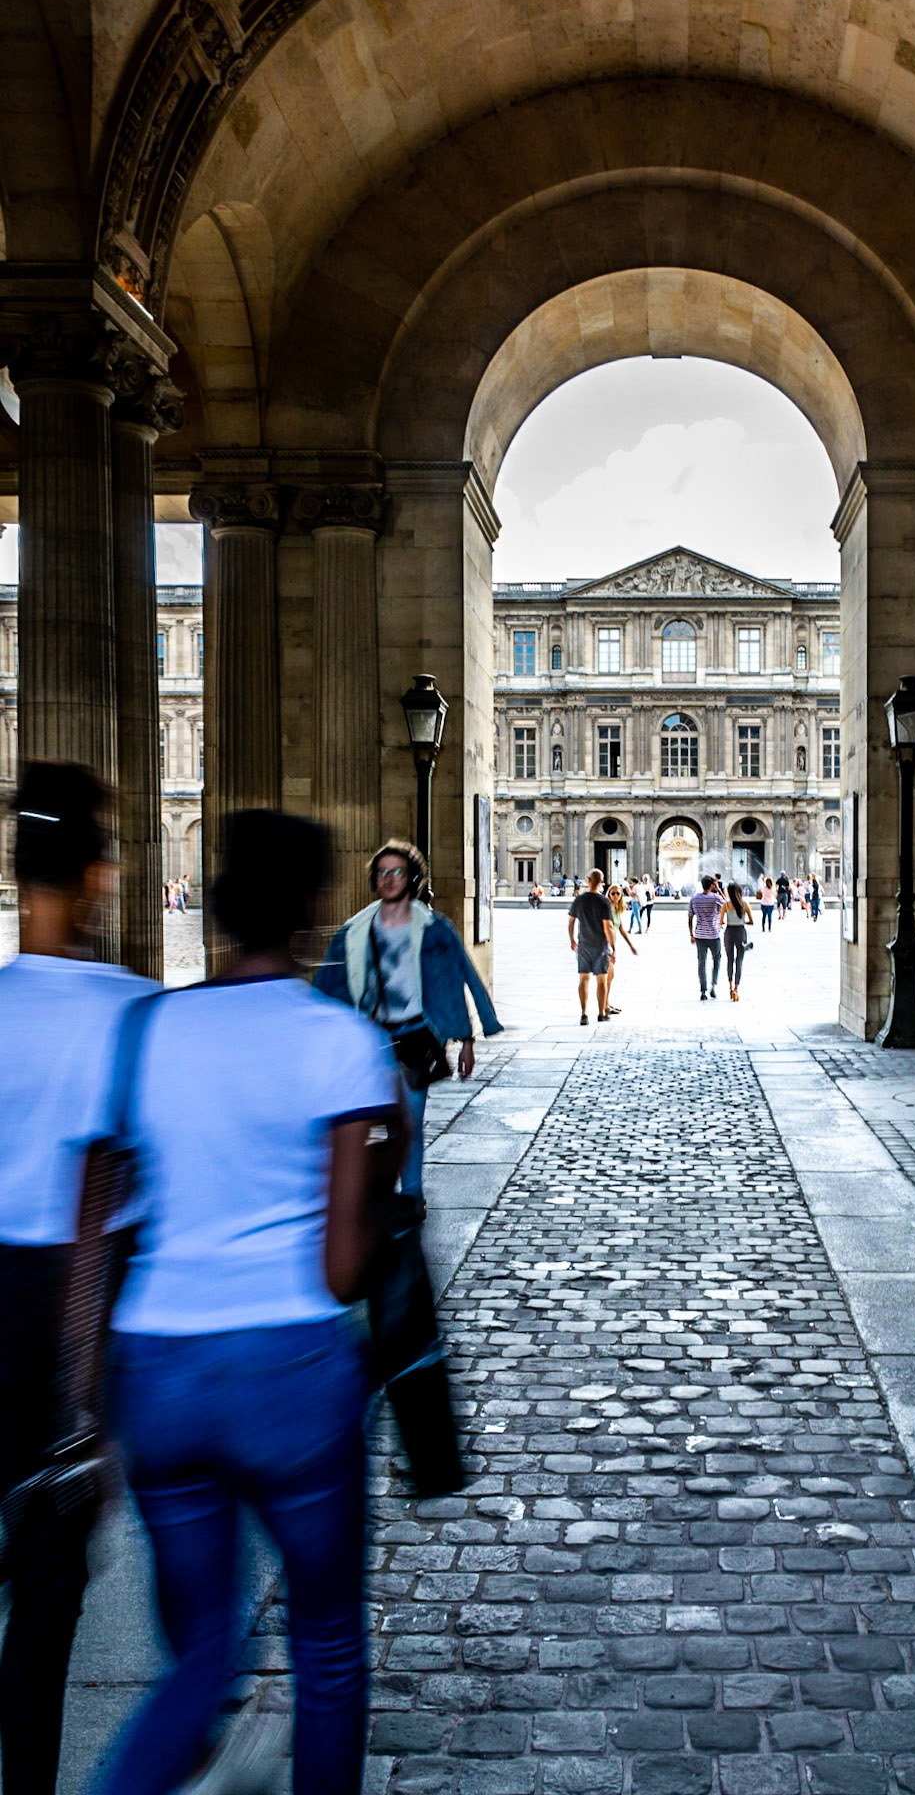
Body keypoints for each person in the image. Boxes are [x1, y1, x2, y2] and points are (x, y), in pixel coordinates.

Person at [96, 809, 406, 1795]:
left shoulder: (146, 1027)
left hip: (160, 1364)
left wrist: (86, 1404)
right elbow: (344, 1270)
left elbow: (107, 1213)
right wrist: (385, 1167)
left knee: (199, 1658)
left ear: (222, 904)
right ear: (313, 907)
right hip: (289, 1370)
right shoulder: (340, 1042)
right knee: (326, 1646)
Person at [0, 763, 159, 1795]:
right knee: (47, 1598)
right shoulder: (135, 1013)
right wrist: (88, 1405)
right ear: (98, 876)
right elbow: (120, 1201)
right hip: (69, 1312)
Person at [315, 840, 502, 1203]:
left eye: (396, 872)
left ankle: (412, 1194)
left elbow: (460, 978)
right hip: (371, 1038)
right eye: (382, 872)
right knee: (370, 1119)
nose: (388, 879)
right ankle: (375, 1189)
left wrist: (467, 1040)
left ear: (413, 878)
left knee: (410, 1121)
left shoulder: (434, 928)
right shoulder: (355, 931)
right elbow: (328, 985)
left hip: (416, 1035)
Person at [569, 870, 615, 1024]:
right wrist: (613, 946)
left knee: (583, 978)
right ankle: (601, 1013)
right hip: (600, 946)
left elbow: (571, 922)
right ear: (602, 882)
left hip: (583, 944)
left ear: (588, 880)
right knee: (601, 980)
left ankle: (584, 1013)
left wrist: (572, 940)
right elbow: (608, 926)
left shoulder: (579, 900)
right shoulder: (604, 901)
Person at [688, 873, 725, 1000]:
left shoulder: (694, 899)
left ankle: (703, 991)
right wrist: (719, 889)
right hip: (714, 935)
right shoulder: (716, 898)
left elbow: (690, 918)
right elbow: (727, 905)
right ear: (712, 885)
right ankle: (713, 985)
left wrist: (691, 934)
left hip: (700, 935)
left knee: (701, 963)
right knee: (717, 960)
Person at [604, 881, 639, 1013]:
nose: (615, 895)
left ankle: (606, 1004)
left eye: (618, 893)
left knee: (609, 977)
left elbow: (621, 929)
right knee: (607, 977)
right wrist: (612, 949)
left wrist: (631, 946)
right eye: (612, 893)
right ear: (609, 894)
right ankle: (604, 1006)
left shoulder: (616, 909)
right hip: (605, 946)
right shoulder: (607, 908)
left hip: (611, 946)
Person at [723, 881, 754, 1001]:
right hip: (741, 932)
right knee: (739, 961)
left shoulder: (725, 905)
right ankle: (736, 988)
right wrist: (742, 921)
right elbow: (751, 921)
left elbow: (721, 922)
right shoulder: (745, 905)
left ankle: (730, 986)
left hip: (729, 932)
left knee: (729, 960)